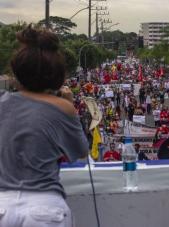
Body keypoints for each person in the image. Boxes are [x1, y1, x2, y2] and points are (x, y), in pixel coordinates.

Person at [0, 26, 89, 227]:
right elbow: (81, 151)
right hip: (45, 207)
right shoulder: (63, 107)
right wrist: (70, 104)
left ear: (17, 72)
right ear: (57, 75)